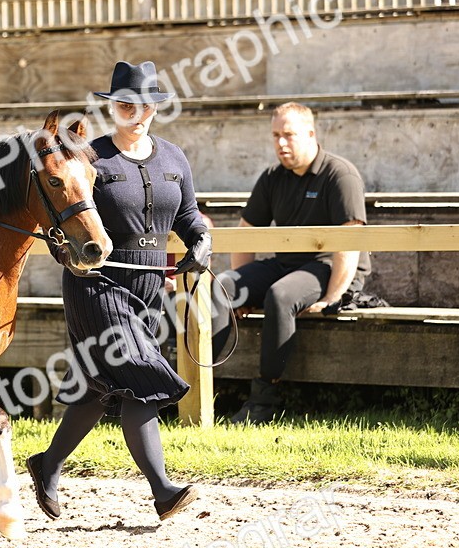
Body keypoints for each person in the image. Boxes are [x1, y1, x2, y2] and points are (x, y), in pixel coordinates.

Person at [26, 61, 211, 522]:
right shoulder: (89, 157)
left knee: (100, 388)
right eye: (126, 104)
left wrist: (202, 244)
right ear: (112, 106)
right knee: (141, 379)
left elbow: (189, 219)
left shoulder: (174, 158)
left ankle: (47, 465)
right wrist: (69, 256)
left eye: (145, 105)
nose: (136, 112)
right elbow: (60, 219)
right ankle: (163, 491)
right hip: (97, 283)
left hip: (151, 286)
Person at [212, 102, 370, 424]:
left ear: (310, 134)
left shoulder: (340, 174)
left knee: (281, 295)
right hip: (287, 264)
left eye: (289, 135)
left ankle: (263, 402)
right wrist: (241, 292)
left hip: (330, 268)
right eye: (275, 136)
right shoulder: (272, 177)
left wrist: (332, 297)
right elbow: (247, 234)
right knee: (220, 286)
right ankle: (199, 384)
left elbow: (349, 244)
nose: (281, 144)